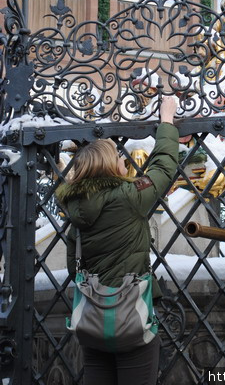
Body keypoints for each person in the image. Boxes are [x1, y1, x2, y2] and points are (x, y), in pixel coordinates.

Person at [56, 96, 179, 385]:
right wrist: (167, 122)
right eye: (119, 159)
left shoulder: (74, 210)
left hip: (92, 324)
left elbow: (75, 269)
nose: (126, 163)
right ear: (110, 166)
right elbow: (162, 168)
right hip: (132, 316)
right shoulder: (130, 194)